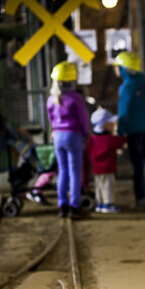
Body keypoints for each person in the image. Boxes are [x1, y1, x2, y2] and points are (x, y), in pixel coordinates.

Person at [113, 51, 145, 210]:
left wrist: (120, 132)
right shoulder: (144, 81)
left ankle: (140, 201)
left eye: (117, 66)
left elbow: (123, 113)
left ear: (123, 69)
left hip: (135, 132)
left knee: (138, 167)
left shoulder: (126, 88)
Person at [47, 61, 91, 219]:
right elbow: (84, 119)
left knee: (62, 172)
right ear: (72, 80)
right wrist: (86, 134)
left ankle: (62, 206)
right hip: (73, 136)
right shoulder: (76, 98)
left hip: (58, 137)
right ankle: (75, 206)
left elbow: (51, 119)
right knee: (74, 172)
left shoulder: (52, 99)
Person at [85, 108, 127, 213]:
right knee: (108, 186)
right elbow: (121, 142)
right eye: (110, 123)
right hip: (107, 168)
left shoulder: (92, 138)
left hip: (96, 169)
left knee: (99, 186)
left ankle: (100, 203)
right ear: (103, 125)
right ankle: (108, 204)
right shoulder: (109, 139)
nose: (113, 125)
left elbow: (88, 149)